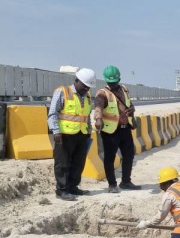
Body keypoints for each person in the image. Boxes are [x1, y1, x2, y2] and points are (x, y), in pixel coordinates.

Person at [47, 68, 96, 201]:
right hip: (64, 134)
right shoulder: (62, 92)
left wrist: (88, 132)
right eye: (85, 86)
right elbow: (53, 113)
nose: (86, 89)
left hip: (81, 134)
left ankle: (73, 187)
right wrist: (55, 131)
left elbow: (86, 116)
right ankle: (62, 190)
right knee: (62, 163)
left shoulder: (87, 96)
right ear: (76, 81)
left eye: (88, 87)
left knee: (78, 162)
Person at [94, 65, 141, 193]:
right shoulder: (102, 93)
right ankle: (112, 184)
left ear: (119, 80)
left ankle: (126, 181)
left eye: (115, 82)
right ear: (106, 80)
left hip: (125, 129)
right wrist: (98, 119)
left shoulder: (124, 89)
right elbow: (98, 106)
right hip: (110, 131)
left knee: (129, 155)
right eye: (110, 82)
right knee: (110, 158)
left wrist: (132, 109)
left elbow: (129, 103)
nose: (113, 84)